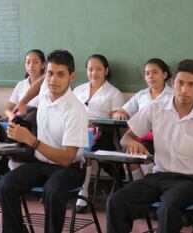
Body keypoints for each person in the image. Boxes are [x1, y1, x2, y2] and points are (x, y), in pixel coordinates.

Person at [106, 59, 193, 233]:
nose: (184, 90)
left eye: (191, 84)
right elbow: (125, 138)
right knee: (116, 201)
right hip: (159, 176)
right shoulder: (155, 109)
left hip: (192, 181)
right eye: (180, 83)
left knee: (168, 208)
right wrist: (133, 143)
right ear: (172, 83)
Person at [0, 49, 89, 233]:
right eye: (50, 73)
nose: (53, 79)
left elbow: (66, 159)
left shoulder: (76, 110)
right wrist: (22, 103)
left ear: (72, 77)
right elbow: (39, 85)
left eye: (61, 74)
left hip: (69, 168)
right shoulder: (45, 95)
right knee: (4, 186)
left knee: (53, 191)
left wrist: (32, 141)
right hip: (41, 163)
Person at [73, 54, 125, 213]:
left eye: (98, 69)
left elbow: (118, 118)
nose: (93, 73)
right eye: (90, 69)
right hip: (76, 130)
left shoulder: (114, 93)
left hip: (101, 133)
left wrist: (95, 125)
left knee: (86, 143)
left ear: (106, 70)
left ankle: (83, 191)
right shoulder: (78, 89)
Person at [112, 58, 173, 178]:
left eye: (155, 72)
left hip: (164, 140)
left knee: (139, 154)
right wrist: (120, 114)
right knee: (130, 155)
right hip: (141, 138)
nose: (151, 76)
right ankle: (138, 185)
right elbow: (121, 111)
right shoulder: (141, 95)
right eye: (147, 73)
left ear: (164, 74)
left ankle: (150, 183)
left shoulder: (173, 95)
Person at [4, 49, 45, 121]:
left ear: (43, 65)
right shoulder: (21, 84)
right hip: (19, 122)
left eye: (36, 62)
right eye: (28, 62)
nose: (31, 65)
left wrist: (27, 108)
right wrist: (12, 116)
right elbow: (7, 108)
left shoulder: (48, 85)